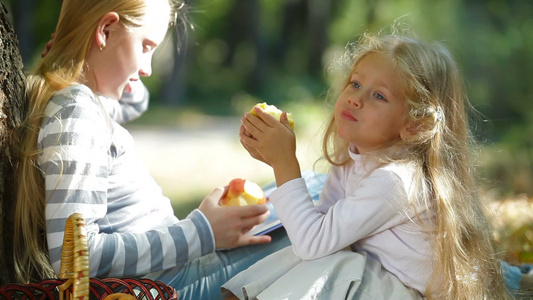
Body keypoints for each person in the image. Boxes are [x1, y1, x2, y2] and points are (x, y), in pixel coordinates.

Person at [13, 1, 290, 299]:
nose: (147, 69)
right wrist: (202, 233)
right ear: (105, 29)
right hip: (170, 285)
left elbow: (135, 101)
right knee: (314, 216)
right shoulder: (76, 111)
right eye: (146, 47)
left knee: (309, 192)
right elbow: (76, 259)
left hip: (177, 270)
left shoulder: (84, 102)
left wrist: (77, 48)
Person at [225, 32, 510, 299]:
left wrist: (284, 164)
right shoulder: (354, 157)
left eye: (379, 96)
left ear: (415, 124)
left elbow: (312, 243)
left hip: (404, 292)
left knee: (335, 263)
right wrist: (277, 157)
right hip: (375, 282)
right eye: (356, 84)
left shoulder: (395, 181)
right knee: (322, 254)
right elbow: (317, 234)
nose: (354, 98)